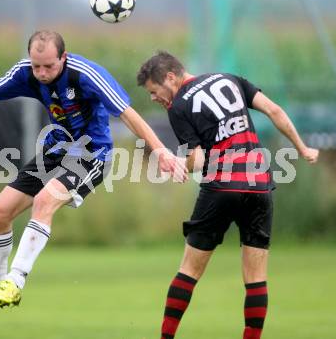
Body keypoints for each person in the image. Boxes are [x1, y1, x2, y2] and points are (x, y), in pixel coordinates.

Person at [0, 31, 187, 319]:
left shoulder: (86, 75)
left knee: (44, 201)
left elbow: (128, 114)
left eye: (49, 66)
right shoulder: (26, 73)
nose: (42, 73)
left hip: (91, 154)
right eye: (37, 66)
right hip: (54, 152)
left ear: (63, 58)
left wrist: (161, 151)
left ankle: (15, 281)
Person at [136, 51, 319, 339]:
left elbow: (196, 160)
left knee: (189, 271)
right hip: (259, 184)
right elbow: (275, 111)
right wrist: (303, 149)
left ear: (171, 77)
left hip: (221, 186)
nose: (153, 98)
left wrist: (177, 166)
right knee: (256, 278)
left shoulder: (180, 106)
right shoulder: (230, 79)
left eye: (153, 91)